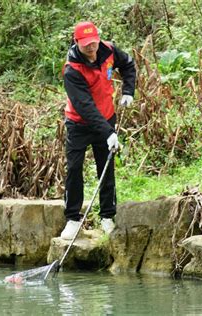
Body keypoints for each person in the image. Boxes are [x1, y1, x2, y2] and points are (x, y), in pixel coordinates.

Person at [60, 21, 136, 239]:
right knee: (74, 168)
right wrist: (108, 133)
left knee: (106, 167)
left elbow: (128, 65)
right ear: (76, 43)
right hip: (79, 123)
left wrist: (128, 91)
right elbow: (85, 107)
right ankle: (73, 219)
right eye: (86, 45)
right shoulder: (72, 70)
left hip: (107, 118)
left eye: (93, 42)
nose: (91, 48)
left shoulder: (109, 50)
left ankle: (107, 216)